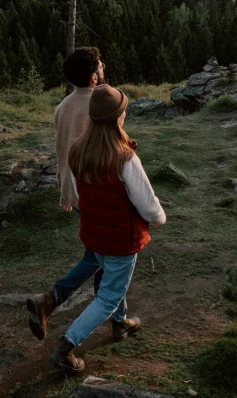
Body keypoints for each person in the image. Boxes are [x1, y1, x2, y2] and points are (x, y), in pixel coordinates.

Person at [49, 84, 166, 373]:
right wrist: (159, 217)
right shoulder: (125, 159)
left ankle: (121, 324)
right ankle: (65, 348)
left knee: (113, 281)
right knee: (108, 296)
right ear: (118, 117)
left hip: (95, 235)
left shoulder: (77, 152)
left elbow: (79, 193)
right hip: (121, 240)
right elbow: (148, 206)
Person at [26, 47, 107, 341]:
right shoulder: (100, 103)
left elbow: (61, 150)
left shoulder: (62, 107)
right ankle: (51, 299)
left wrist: (64, 190)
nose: (103, 67)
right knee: (102, 253)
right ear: (94, 76)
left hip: (75, 189)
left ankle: (110, 308)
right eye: (100, 66)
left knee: (100, 249)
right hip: (98, 190)